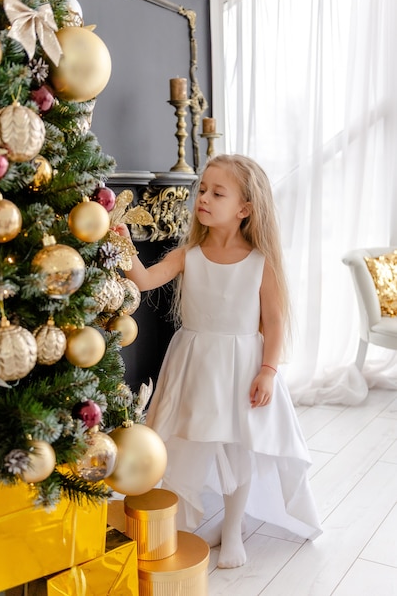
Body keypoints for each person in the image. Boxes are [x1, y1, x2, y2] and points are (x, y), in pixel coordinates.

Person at [114, 154, 322, 569]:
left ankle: (232, 526)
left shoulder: (261, 262)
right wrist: (123, 243)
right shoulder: (189, 253)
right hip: (194, 361)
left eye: (216, 193)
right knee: (191, 437)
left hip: (242, 364)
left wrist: (268, 370)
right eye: (202, 190)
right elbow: (144, 280)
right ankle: (195, 515)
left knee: (238, 444)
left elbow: (275, 321)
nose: (203, 198)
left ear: (245, 209)